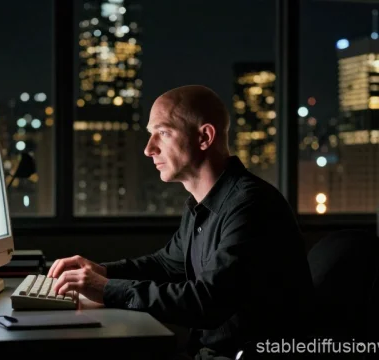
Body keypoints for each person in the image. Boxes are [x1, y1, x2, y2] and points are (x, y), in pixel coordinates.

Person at [47, 85, 315, 360]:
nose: (148, 149)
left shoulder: (252, 206)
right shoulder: (201, 205)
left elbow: (207, 302)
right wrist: (103, 272)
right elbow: (166, 265)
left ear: (204, 137)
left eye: (162, 133)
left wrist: (105, 289)